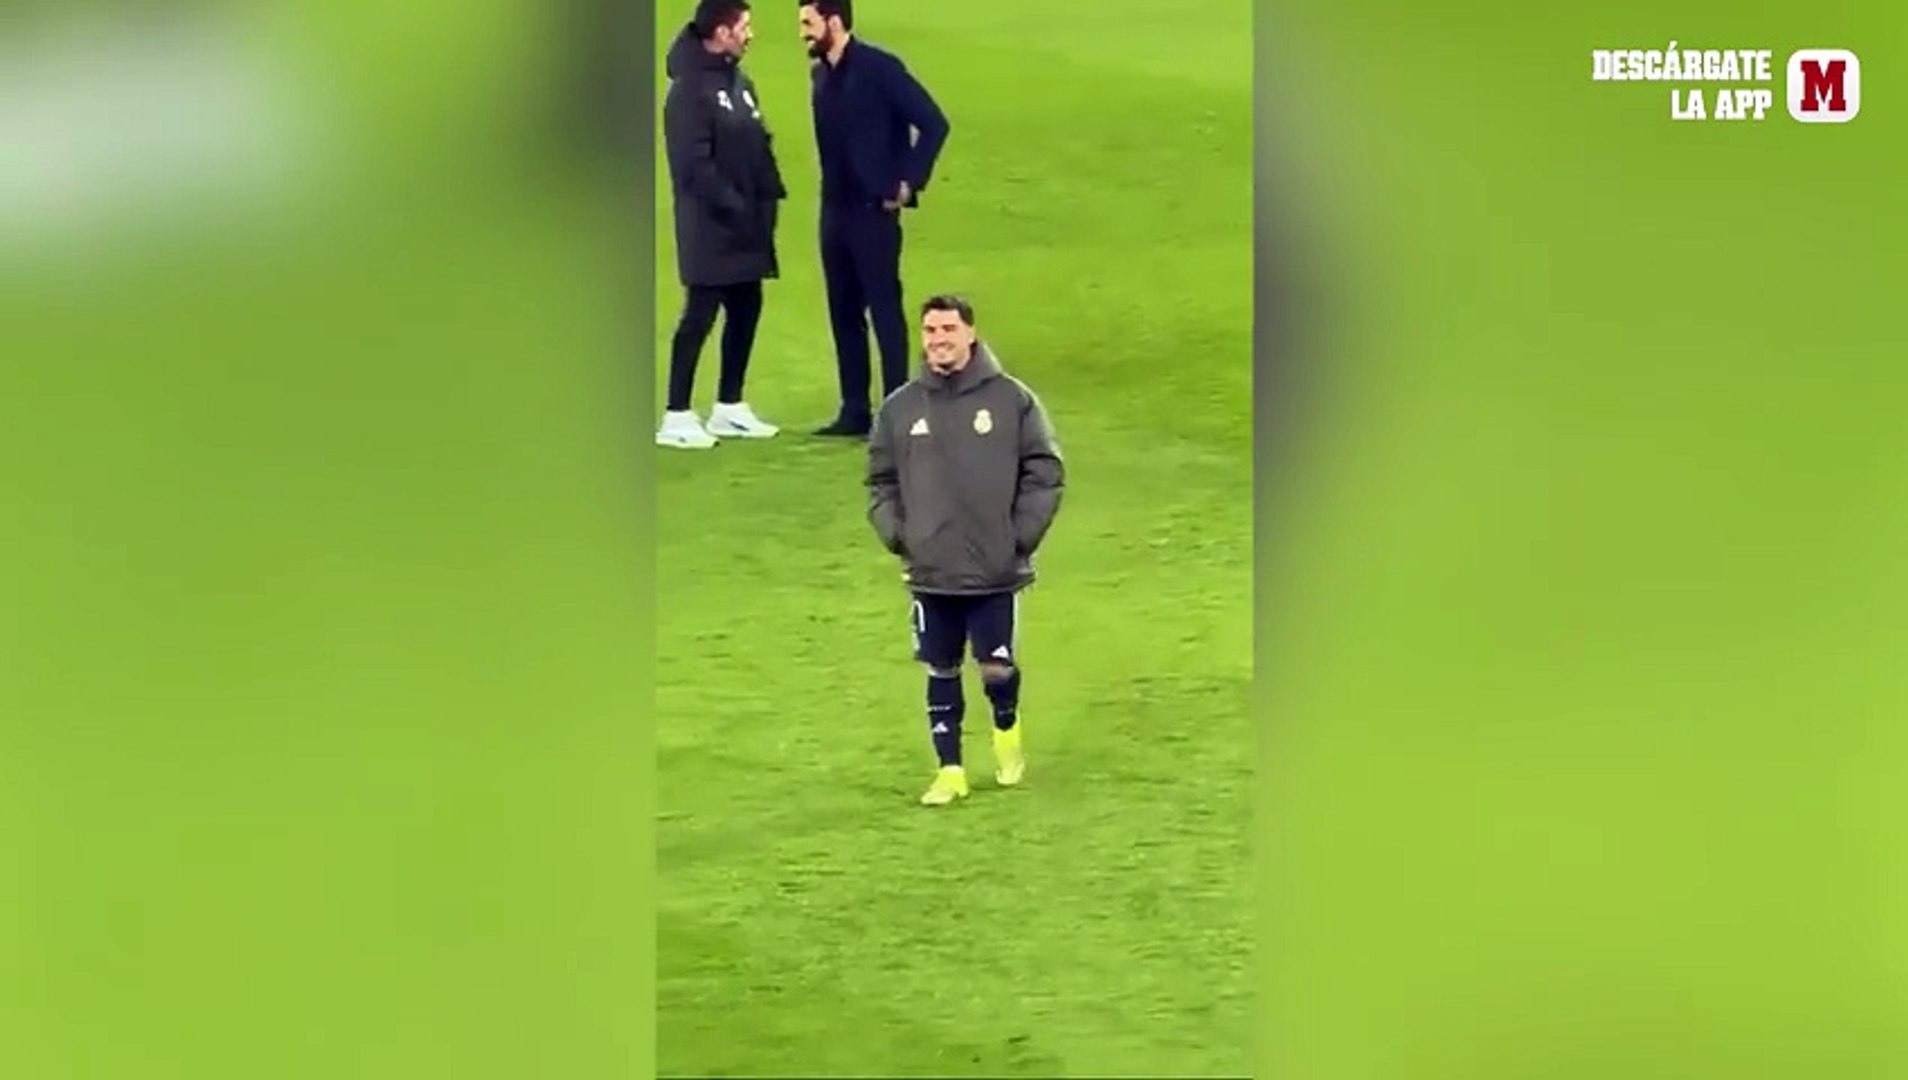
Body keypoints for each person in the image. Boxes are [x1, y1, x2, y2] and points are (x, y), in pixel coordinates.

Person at [866, 296, 1065, 806]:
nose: (938, 338)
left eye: (948, 328)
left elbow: (1044, 471)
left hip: (994, 568)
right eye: (930, 329)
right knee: (941, 668)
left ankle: (1006, 728)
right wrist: (900, 535)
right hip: (931, 569)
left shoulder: (1011, 401)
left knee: (996, 671)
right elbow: (881, 481)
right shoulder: (901, 408)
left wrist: (1017, 538)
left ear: (970, 334)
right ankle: (949, 771)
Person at [799, 0, 951, 438]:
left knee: (884, 310)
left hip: (873, 211)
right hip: (834, 212)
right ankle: (853, 410)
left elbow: (933, 122)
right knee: (843, 312)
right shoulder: (820, 77)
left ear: (834, 21)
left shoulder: (880, 69)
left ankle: (897, 411)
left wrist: (908, 180)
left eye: (809, 23)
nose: (804, 33)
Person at [658, 0, 787, 450]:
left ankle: (729, 407)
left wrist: (771, 194)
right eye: (743, 26)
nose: (750, 34)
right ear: (720, 30)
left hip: (747, 222)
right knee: (700, 314)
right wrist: (734, 205)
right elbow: (692, 166)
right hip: (709, 225)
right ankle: (676, 414)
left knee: (747, 307)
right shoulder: (688, 91)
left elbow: (757, 139)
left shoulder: (738, 81)